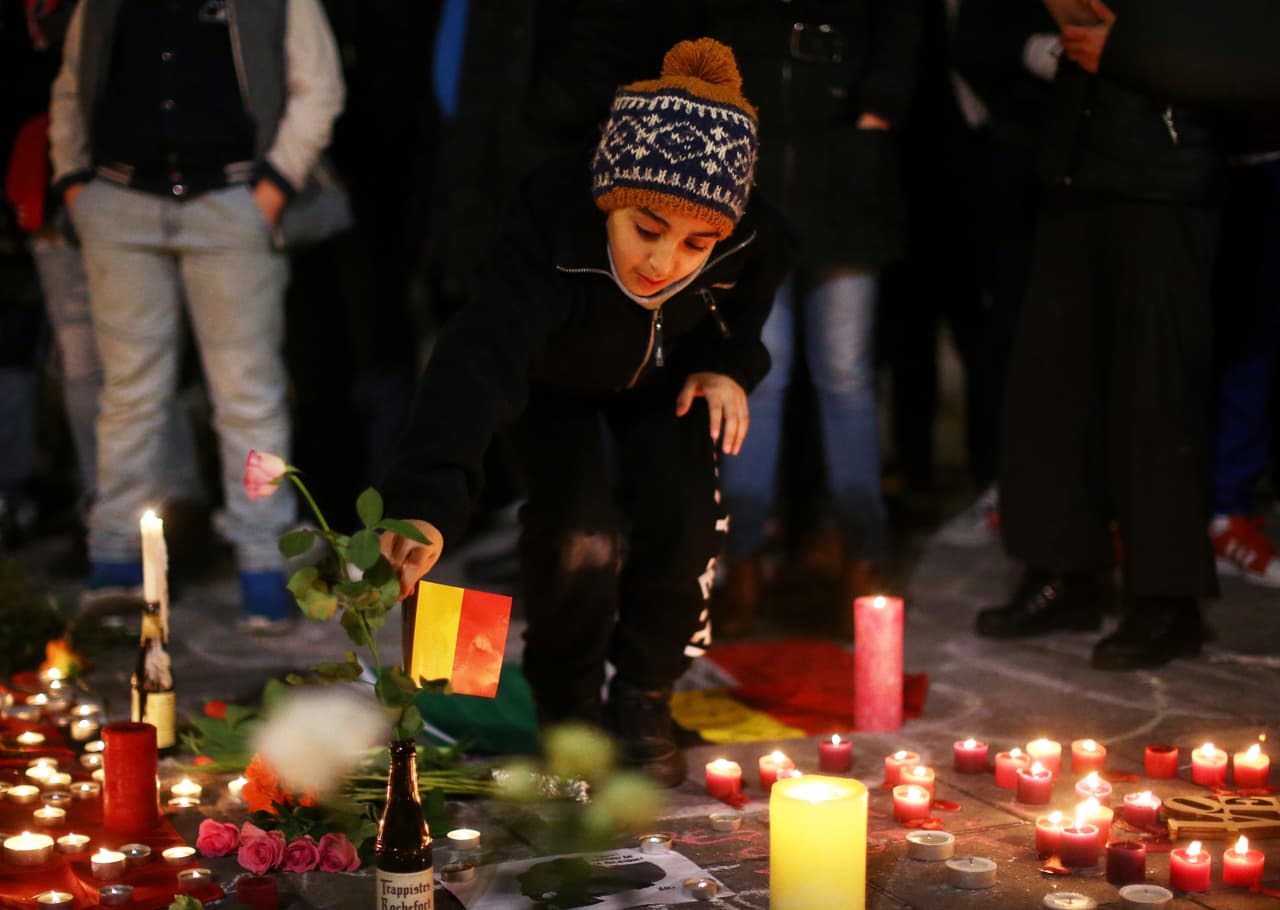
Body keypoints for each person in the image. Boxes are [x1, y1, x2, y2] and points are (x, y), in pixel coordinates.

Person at [378, 38, 788, 787]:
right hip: (551, 385)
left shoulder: (753, 233)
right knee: (579, 532)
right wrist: (427, 502)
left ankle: (642, 696)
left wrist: (728, 366)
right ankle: (568, 711)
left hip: (666, 383)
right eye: (646, 230)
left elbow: (748, 303)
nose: (665, 263)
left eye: (697, 243)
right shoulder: (550, 223)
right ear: (609, 198)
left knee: (684, 511)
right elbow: (474, 365)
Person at [49, 0, 344, 626]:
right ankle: (116, 563)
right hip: (120, 204)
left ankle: (264, 564)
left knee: (247, 394)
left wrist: (273, 188)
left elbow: (319, 85)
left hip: (233, 202)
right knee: (129, 391)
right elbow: (73, 84)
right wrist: (75, 181)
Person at [975, 0, 1228, 669]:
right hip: (1074, 163)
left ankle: (1167, 600)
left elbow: (1237, 44)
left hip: (1165, 178)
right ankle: (1064, 572)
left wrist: (1126, 50)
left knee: (1154, 390)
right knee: (1053, 381)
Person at [706, 0, 921, 634]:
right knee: (759, 379)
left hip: (844, 169)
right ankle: (743, 556)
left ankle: (860, 551)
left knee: (844, 375)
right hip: (752, 170)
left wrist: (878, 109)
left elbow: (902, 25)